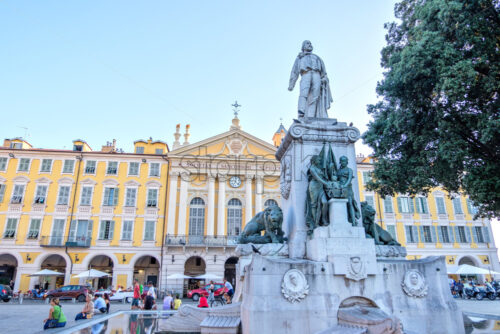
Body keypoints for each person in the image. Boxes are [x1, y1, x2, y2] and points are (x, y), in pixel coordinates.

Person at [288, 40, 332, 119]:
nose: (310, 45)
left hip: (316, 74)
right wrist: (291, 84)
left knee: (315, 96)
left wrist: (324, 77)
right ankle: (301, 111)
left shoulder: (317, 57)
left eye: (310, 43)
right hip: (305, 74)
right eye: (308, 43)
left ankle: (311, 115)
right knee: (304, 93)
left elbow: (323, 71)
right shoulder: (300, 57)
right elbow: (294, 71)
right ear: (303, 46)